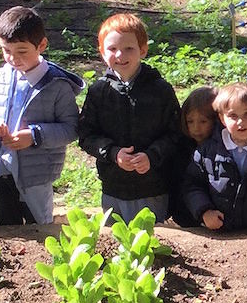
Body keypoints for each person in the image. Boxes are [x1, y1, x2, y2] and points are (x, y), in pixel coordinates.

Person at [0, 5, 84, 226]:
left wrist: (34, 136)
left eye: (22, 51)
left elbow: (71, 128)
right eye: (6, 51)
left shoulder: (56, 86)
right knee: (4, 231)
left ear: (41, 45)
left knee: (39, 229)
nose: (13, 59)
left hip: (36, 174)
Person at [76, 12, 182, 225]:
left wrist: (151, 156)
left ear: (143, 50)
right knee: (116, 243)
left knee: (151, 243)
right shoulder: (99, 92)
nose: (120, 55)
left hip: (152, 186)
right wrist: (113, 153)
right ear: (102, 52)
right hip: (114, 186)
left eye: (129, 49)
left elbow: (176, 134)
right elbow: (86, 135)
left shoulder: (160, 90)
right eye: (112, 49)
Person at [183, 82, 247, 231]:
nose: (240, 122)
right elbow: (192, 186)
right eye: (233, 116)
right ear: (222, 119)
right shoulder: (207, 152)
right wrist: (204, 211)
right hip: (220, 230)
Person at [170, 86, 218, 228]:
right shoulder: (181, 147)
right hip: (186, 217)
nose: (196, 128)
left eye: (203, 122)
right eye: (190, 121)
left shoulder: (222, 148)